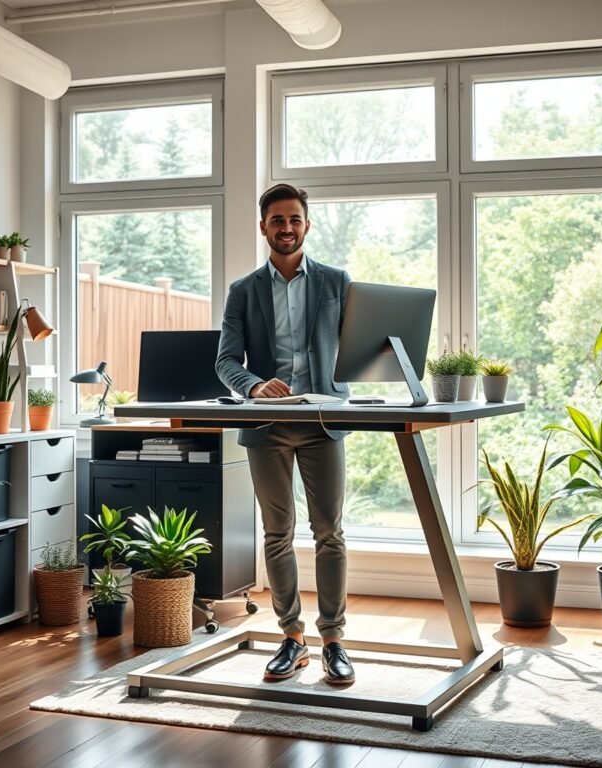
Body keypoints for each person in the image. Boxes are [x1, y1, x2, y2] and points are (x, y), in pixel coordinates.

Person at [215, 183, 355, 685]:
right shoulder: (243, 291)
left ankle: (334, 640)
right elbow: (226, 360)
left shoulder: (338, 283)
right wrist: (253, 387)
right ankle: (292, 638)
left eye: (295, 219)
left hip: (322, 423)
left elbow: (358, 347)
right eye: (277, 220)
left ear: (307, 225)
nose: (287, 228)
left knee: (329, 533)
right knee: (277, 534)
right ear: (263, 227)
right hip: (267, 425)